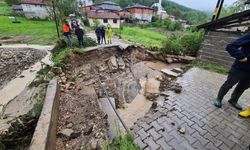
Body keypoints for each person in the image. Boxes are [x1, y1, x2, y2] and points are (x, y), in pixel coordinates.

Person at [214, 32, 250, 110]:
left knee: (243, 87)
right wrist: (241, 56)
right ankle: (219, 99)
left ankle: (233, 100)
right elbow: (230, 46)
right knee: (229, 84)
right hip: (240, 68)